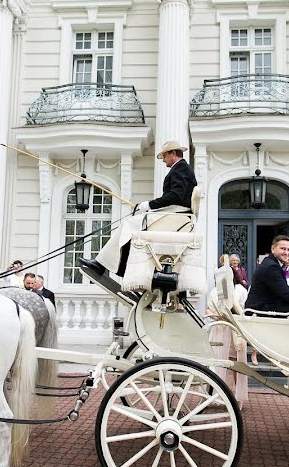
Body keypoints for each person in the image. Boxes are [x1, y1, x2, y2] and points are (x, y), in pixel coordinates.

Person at [82, 140, 197, 277]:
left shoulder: (181, 168)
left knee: (129, 224)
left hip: (175, 214)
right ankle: (112, 265)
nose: (163, 160)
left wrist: (149, 205)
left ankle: (106, 265)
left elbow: (175, 196)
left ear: (173, 153)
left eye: (164, 156)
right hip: (174, 213)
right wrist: (149, 207)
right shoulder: (182, 168)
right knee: (132, 224)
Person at [206, 256, 249, 410]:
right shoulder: (214, 292)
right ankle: (217, 394)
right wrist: (215, 314)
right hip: (219, 330)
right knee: (217, 363)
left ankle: (239, 397)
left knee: (237, 364)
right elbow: (208, 309)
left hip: (235, 329)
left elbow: (242, 309)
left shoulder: (239, 290)